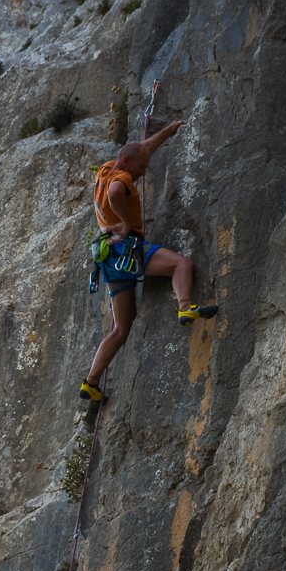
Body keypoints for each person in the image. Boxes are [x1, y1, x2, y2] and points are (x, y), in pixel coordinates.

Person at [80, 122, 218, 402]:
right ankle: (185, 307)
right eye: (141, 168)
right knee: (182, 264)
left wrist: (166, 133)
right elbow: (116, 193)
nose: (144, 173)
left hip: (109, 256)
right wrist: (128, 225)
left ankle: (91, 383)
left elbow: (141, 152)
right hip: (128, 249)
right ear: (127, 162)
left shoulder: (107, 169)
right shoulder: (121, 178)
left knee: (122, 327)